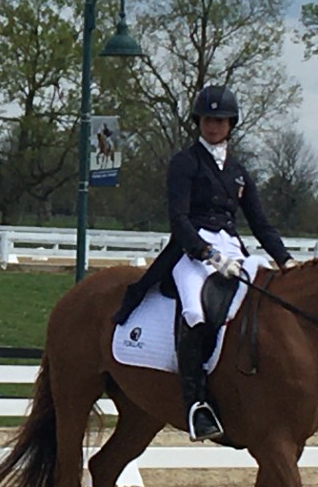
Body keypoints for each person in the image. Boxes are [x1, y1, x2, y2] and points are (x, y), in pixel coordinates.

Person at [114, 85, 293, 443]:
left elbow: (259, 222)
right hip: (190, 252)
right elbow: (177, 218)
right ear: (199, 121)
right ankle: (196, 405)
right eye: (209, 119)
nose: (214, 125)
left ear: (231, 124)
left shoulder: (238, 171)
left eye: (221, 120)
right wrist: (205, 254)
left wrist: (286, 260)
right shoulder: (185, 162)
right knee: (196, 312)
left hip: (231, 249)